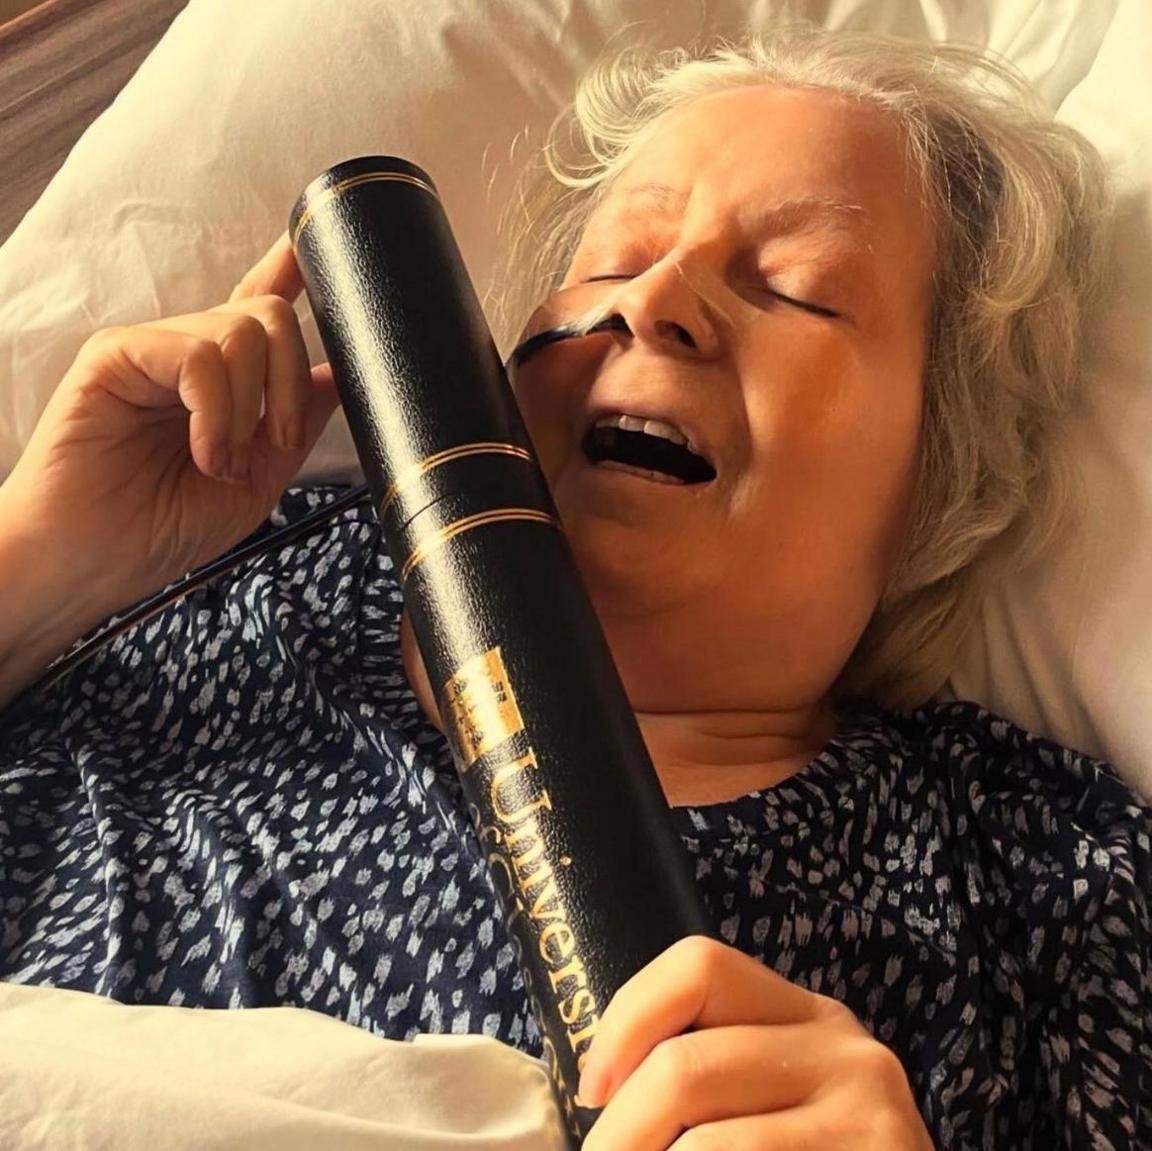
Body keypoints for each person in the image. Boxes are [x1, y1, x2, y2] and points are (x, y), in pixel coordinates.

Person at [0, 22, 1148, 1151]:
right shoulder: (224, 570)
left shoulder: (1046, 884)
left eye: (801, 288)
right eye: (612, 257)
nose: (651, 300)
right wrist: (42, 561)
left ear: (945, 460)